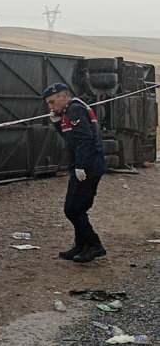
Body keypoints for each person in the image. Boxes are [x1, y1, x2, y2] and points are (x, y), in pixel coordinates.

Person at [43, 83, 107, 263]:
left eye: (52, 102)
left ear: (64, 96)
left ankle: (95, 246)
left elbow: (84, 140)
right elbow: (70, 137)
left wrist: (81, 165)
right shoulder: (70, 111)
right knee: (77, 208)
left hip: (88, 167)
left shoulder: (75, 110)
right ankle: (81, 245)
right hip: (87, 165)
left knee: (73, 209)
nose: (50, 106)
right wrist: (57, 123)